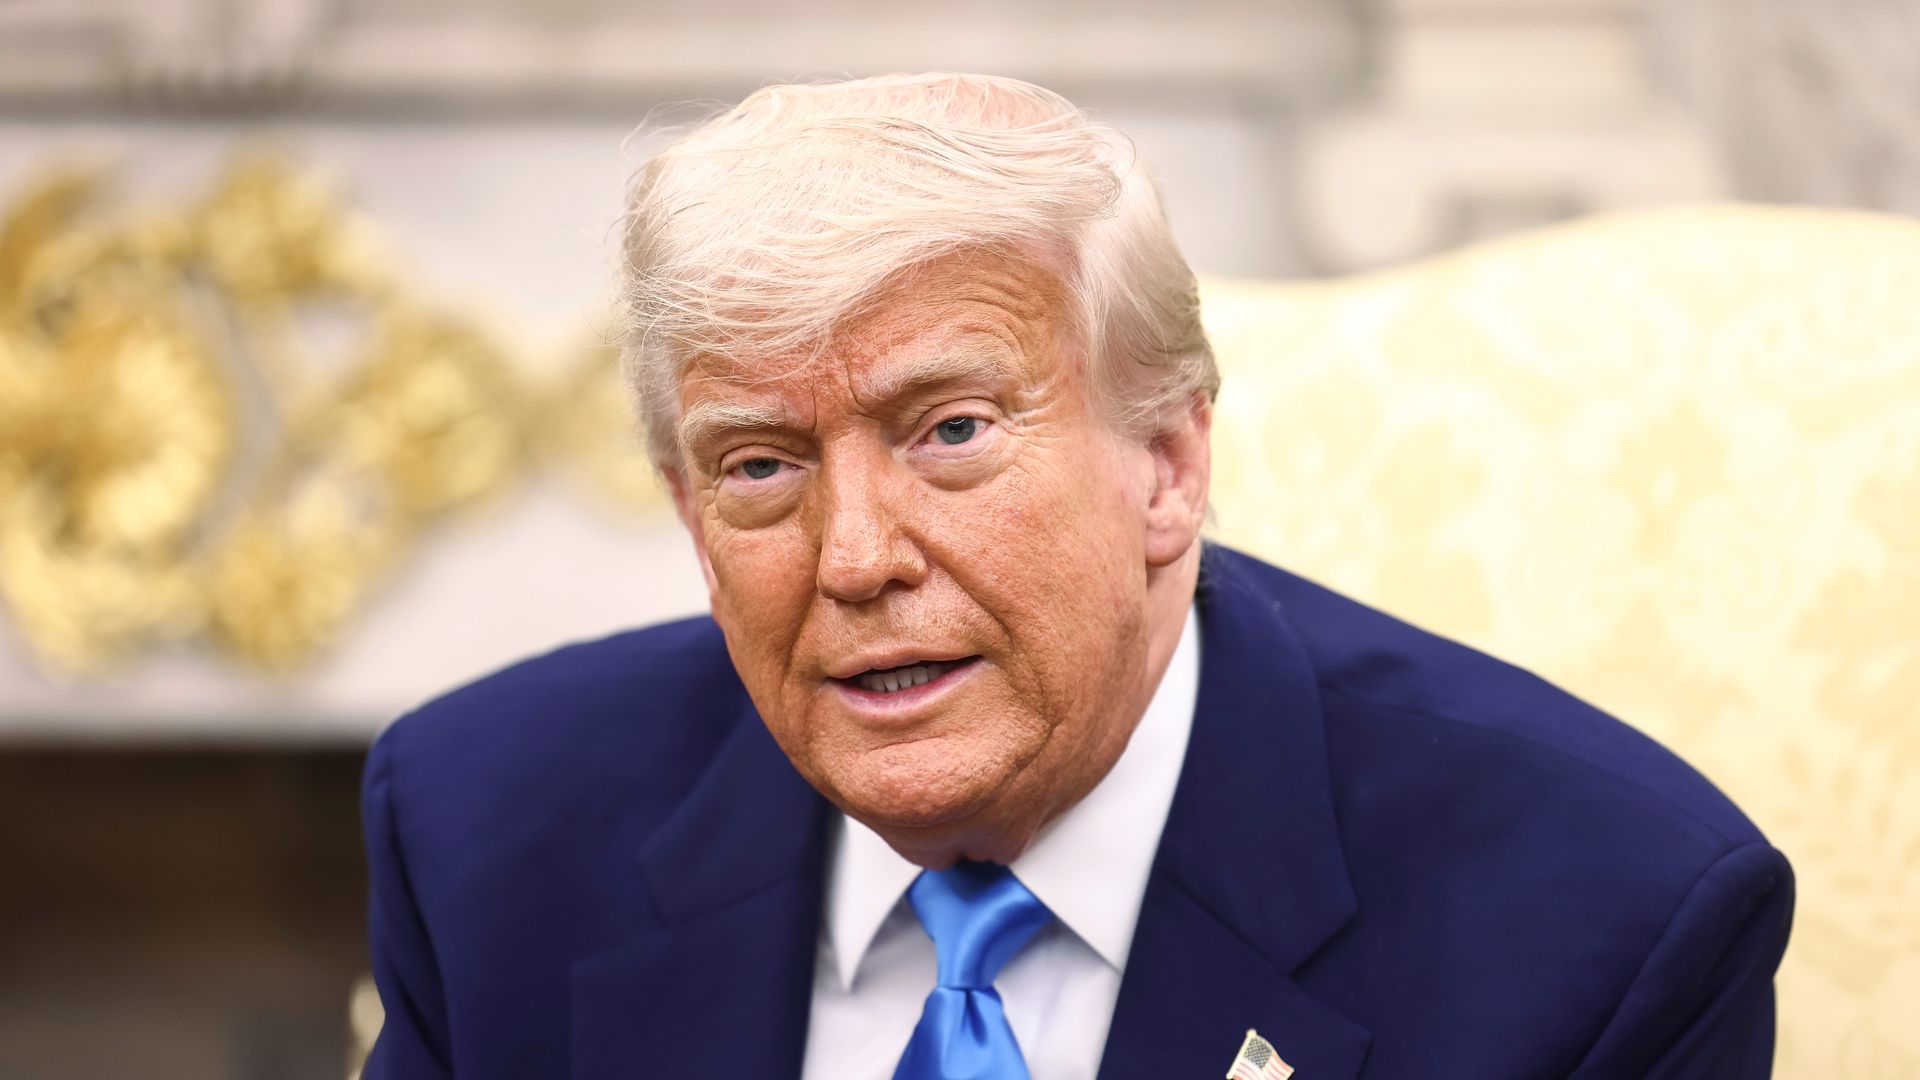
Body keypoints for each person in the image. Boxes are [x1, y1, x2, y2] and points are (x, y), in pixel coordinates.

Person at [359, 73, 1792, 1080]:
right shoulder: (486, 834)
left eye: (953, 432)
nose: (855, 559)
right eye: (759, 467)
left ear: (1166, 464)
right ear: (686, 510)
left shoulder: (1606, 922)